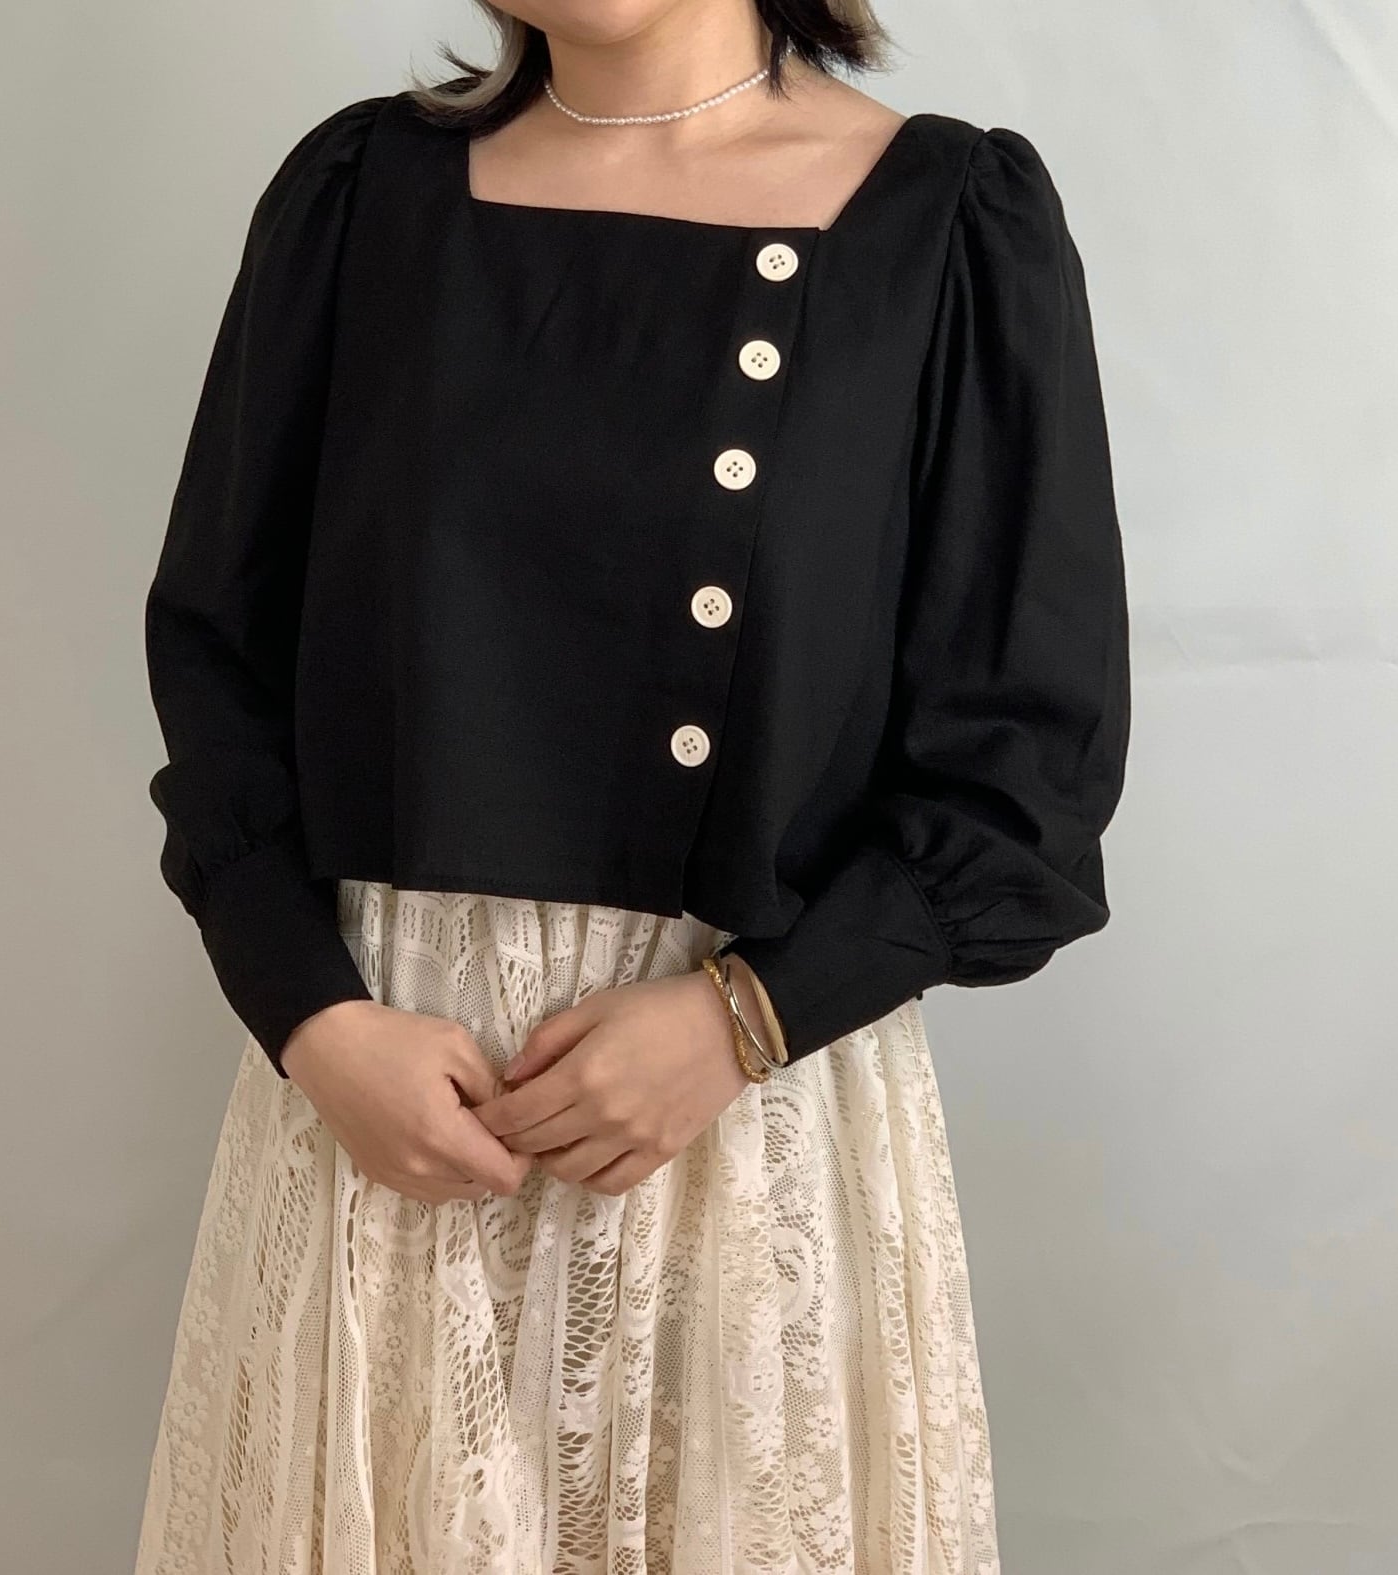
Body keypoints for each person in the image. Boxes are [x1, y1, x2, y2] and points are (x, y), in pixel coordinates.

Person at [132, 3, 1130, 1570]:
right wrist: (312, 1017)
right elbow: (219, 655)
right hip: (386, 1092)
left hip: (747, 1112)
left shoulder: (948, 230)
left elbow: (1025, 757)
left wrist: (747, 1019)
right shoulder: (359, 198)